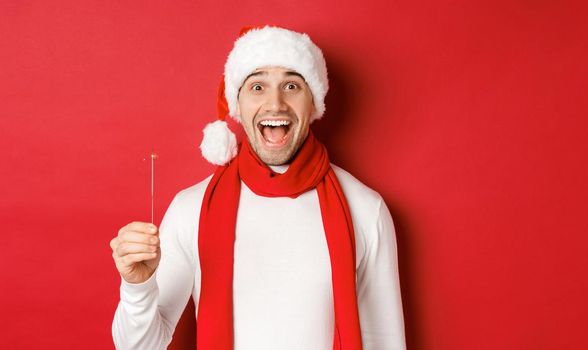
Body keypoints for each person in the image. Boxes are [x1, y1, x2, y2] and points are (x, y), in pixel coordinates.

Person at [110, 25, 406, 349]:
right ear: (238, 104)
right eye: (257, 87)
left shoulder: (365, 209)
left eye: (291, 85)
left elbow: (386, 341)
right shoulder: (190, 209)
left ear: (313, 102)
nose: (275, 104)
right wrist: (137, 288)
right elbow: (137, 347)